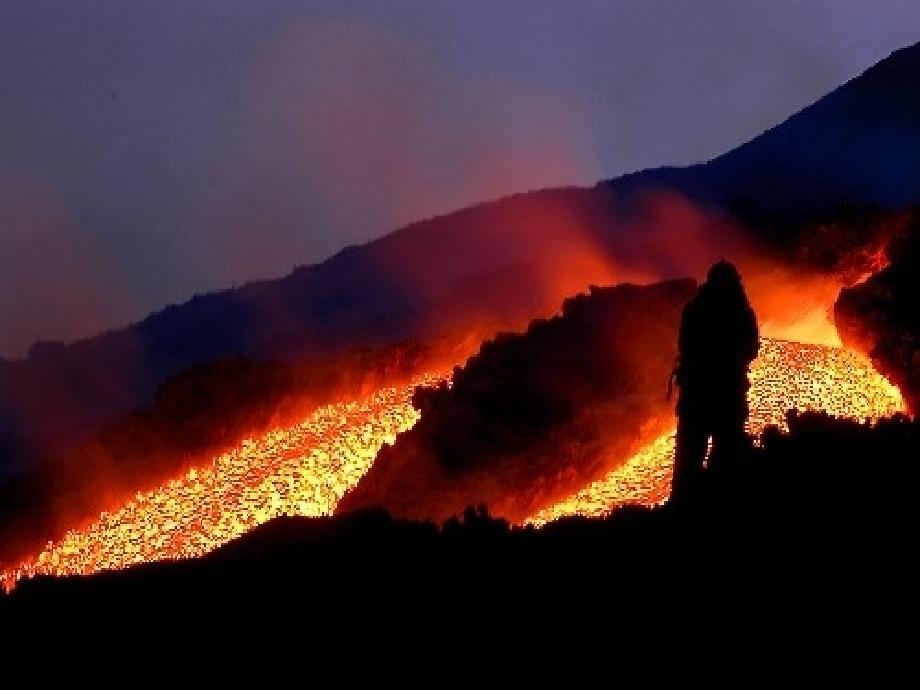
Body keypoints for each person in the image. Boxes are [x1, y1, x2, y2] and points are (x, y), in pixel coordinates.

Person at [671, 261, 759, 502]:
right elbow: (751, 350)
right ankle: (717, 510)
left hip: (695, 396)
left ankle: (682, 512)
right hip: (728, 397)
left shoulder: (694, 309)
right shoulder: (741, 311)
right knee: (725, 458)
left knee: (688, 460)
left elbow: (684, 345)